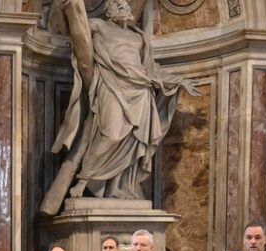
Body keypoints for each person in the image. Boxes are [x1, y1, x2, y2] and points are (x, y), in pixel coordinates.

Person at [42, 0, 197, 213]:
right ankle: (83, 180)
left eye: (125, 4)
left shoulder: (139, 37)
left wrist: (180, 81)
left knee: (133, 140)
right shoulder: (98, 25)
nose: (124, 7)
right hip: (111, 85)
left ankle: (121, 186)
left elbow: (149, 69)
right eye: (118, 4)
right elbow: (74, 28)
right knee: (110, 134)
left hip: (140, 91)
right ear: (109, 10)